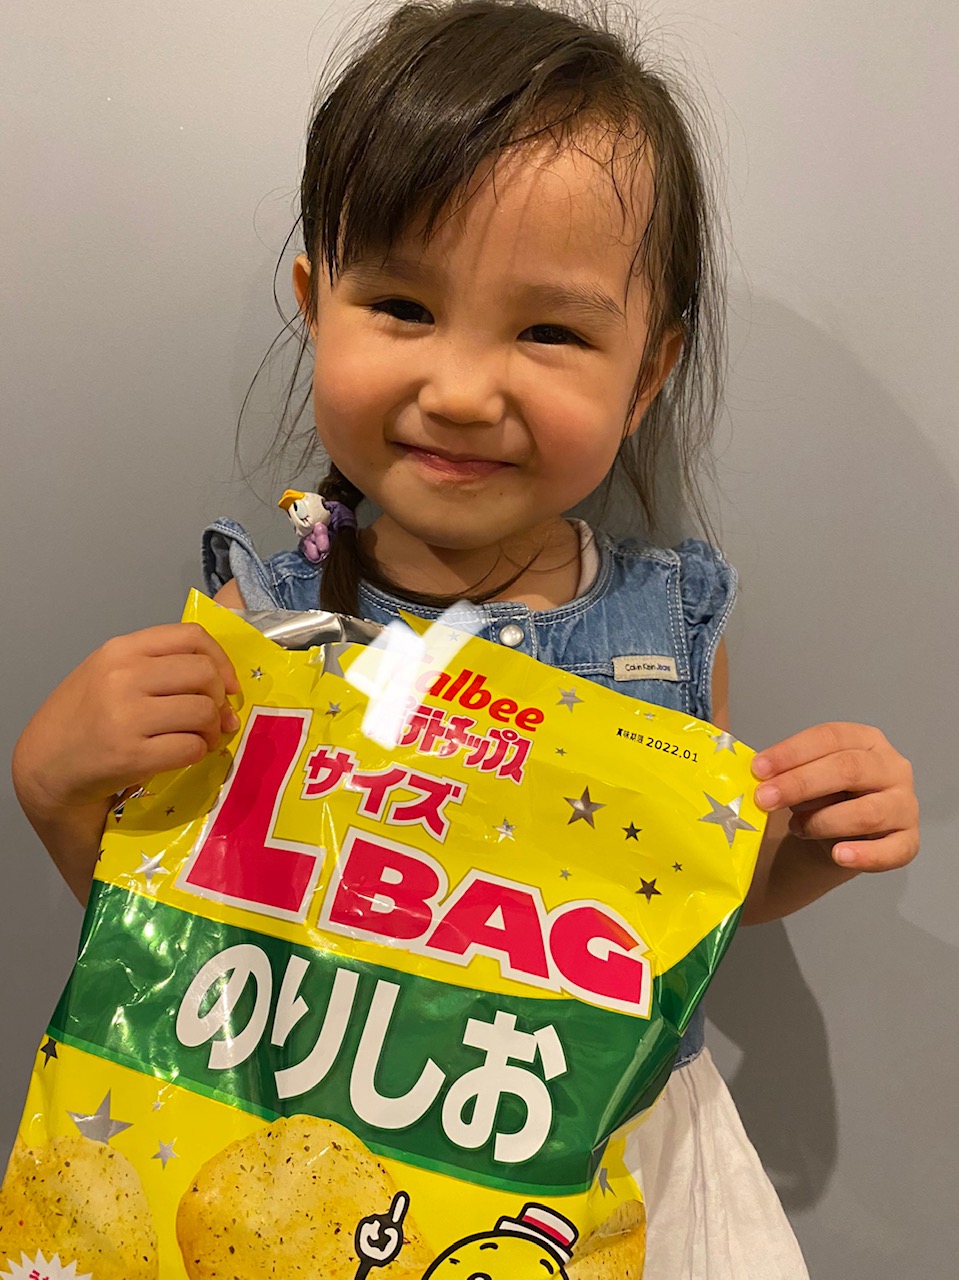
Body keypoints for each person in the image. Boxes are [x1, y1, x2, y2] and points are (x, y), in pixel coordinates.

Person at [11, 2, 919, 1275]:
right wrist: (56, 789)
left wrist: (800, 852)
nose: (459, 388)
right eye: (400, 304)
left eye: (548, 331)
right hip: (302, 1149)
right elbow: (175, 944)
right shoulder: (260, 625)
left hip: (584, 1163)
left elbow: (680, 909)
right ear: (314, 303)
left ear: (645, 373)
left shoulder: (662, 629)